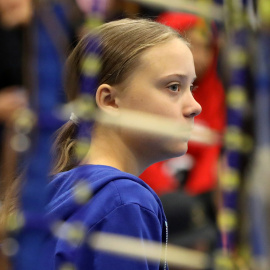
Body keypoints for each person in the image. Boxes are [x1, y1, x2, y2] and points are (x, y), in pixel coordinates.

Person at [1, 18, 201, 269]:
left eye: (192, 87)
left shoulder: (61, 189)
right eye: (174, 87)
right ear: (109, 101)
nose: (195, 106)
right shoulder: (124, 200)